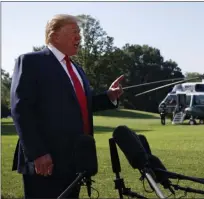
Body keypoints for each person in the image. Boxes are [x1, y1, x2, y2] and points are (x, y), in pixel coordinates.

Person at [10, 14, 124, 199]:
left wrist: (109, 97)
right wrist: (38, 153)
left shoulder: (77, 70)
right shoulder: (31, 62)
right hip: (46, 162)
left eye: (79, 32)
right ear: (55, 36)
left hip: (75, 161)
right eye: (74, 32)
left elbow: (79, 105)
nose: (79, 37)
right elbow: (21, 109)